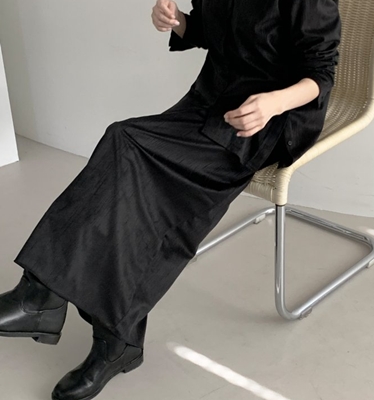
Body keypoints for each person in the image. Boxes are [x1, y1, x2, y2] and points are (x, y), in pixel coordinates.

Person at [0, 0, 341, 399]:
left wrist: (273, 104)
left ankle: (50, 301)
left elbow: (321, 72)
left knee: (134, 156)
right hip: (211, 99)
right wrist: (178, 22)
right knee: (127, 154)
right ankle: (110, 337)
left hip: (262, 122)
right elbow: (214, 32)